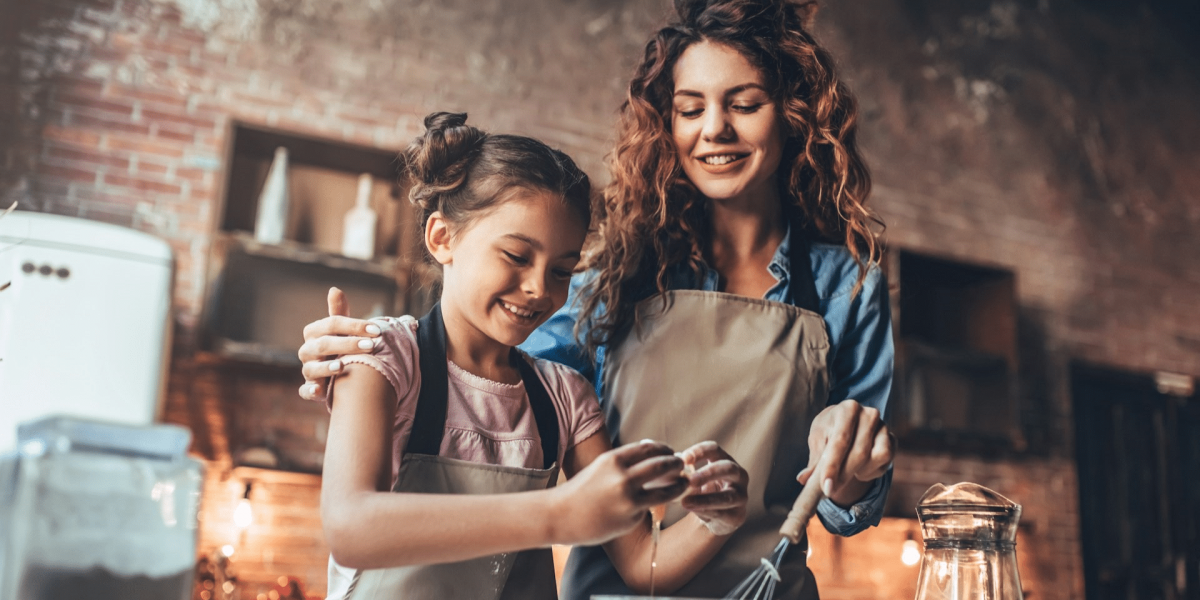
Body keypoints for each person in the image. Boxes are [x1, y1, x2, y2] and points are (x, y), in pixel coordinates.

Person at [301, 0, 896, 597]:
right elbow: (488, 373)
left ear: (792, 113)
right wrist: (357, 357)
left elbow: (847, 505)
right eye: (690, 108)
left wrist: (851, 467)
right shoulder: (613, 274)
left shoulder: (848, 287)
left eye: (743, 104)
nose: (715, 128)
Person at [318, 111, 751, 600]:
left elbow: (640, 564)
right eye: (517, 256)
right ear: (443, 238)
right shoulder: (384, 359)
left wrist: (716, 521)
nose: (539, 289)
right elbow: (350, 527)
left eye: (562, 271)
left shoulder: (564, 397)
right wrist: (558, 513)